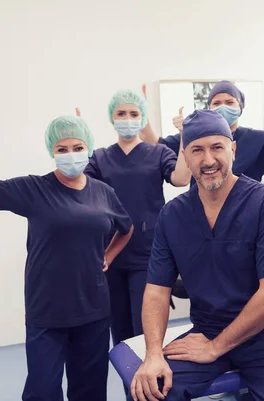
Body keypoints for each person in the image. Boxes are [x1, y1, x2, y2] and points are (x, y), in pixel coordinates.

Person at [130, 110, 264, 401]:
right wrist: (152, 355)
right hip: (208, 330)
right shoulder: (173, 215)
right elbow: (156, 292)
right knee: (149, 390)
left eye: (217, 147)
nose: (208, 160)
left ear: (233, 150)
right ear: (184, 157)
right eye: (197, 150)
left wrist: (215, 348)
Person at [0, 116, 134, 401]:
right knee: (43, 391)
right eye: (62, 149)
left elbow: (127, 228)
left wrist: (109, 256)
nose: (70, 154)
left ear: (88, 148)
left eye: (77, 147)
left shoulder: (103, 192)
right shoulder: (34, 189)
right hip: (47, 311)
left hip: (93, 308)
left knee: (89, 391)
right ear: (52, 151)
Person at [80, 88, 191, 349]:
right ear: (112, 118)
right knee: (119, 330)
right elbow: (80, 188)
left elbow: (181, 178)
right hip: (110, 254)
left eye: (134, 113)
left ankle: (148, 385)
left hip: (148, 253)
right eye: (121, 113)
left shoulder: (159, 152)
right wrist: (79, 143)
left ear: (143, 118)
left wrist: (186, 137)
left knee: (145, 329)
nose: (127, 118)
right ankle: (130, 387)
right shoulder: (99, 158)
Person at [140, 80, 264, 183]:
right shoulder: (194, 138)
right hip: (202, 211)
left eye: (229, 102)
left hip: (246, 213)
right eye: (217, 103)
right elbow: (154, 144)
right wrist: (141, 112)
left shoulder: (259, 140)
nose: (223, 107)